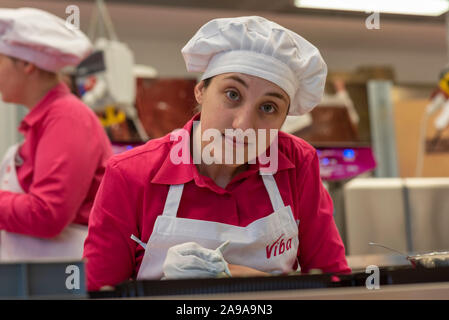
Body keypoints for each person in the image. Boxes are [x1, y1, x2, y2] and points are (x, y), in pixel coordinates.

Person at [84, 16, 350, 291]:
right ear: (200, 90)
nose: (243, 125)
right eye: (232, 94)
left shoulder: (297, 164)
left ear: (284, 119)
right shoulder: (130, 174)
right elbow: (98, 293)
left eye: (268, 107)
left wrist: (237, 275)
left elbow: (333, 283)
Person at [0, 8, 112, 261]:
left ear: (27, 64)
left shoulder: (66, 117)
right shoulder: (45, 119)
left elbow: (47, 215)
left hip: (63, 276)